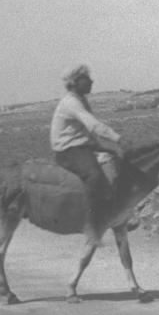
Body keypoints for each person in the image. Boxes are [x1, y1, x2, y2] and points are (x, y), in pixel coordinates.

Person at [50, 64, 131, 246]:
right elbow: (93, 126)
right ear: (75, 82)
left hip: (81, 147)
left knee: (114, 161)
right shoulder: (71, 102)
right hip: (68, 151)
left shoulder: (80, 99)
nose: (92, 81)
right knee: (95, 176)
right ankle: (92, 225)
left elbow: (86, 134)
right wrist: (118, 139)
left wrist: (105, 148)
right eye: (87, 79)